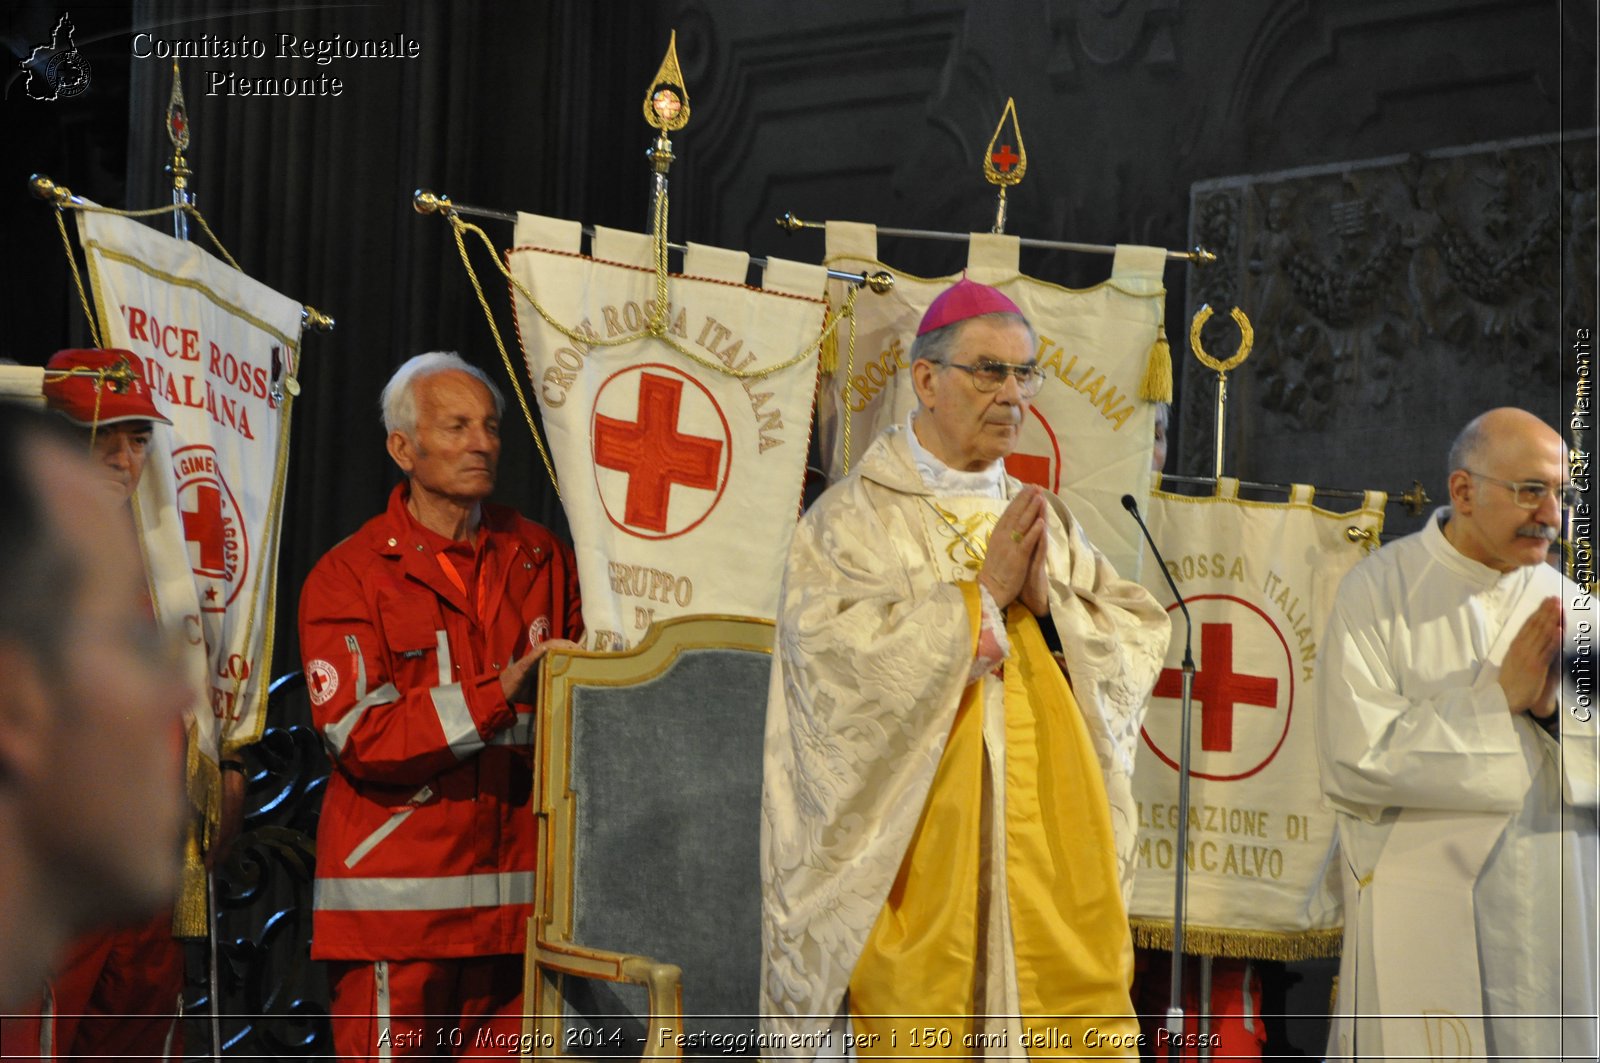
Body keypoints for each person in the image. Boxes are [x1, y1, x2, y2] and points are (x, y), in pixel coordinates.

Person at [761, 279, 1171, 1057]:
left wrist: (1054, 605)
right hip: (913, 848)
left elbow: (1139, 634)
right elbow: (829, 669)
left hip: (1044, 836)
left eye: (1025, 374)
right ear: (926, 379)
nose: (1013, 393)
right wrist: (978, 601)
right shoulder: (854, 519)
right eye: (990, 371)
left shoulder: (1039, 513)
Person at [299, 351, 582, 1059]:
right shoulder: (349, 575)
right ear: (403, 447)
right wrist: (500, 690)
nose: (482, 442)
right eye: (456, 426)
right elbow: (362, 734)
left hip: (523, 924)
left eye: (489, 425)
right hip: (399, 927)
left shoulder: (542, 556)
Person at [1317, 407, 1597, 1061]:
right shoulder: (1380, 593)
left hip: (1552, 925)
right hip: (1424, 920)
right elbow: (1353, 760)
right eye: (1531, 490)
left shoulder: (1573, 610)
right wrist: (1497, 700)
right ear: (1464, 490)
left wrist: (1555, 714)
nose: (1552, 514)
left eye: (1564, 493)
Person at [2, 348, 216, 1060]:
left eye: (138, 438)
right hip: (59, 874)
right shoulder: (26, 563)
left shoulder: (161, 567)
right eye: (103, 436)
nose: (124, 458)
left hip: (145, 880)